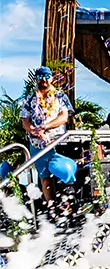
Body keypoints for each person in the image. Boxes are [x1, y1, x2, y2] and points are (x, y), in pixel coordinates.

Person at [18, 65, 73, 205]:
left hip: (58, 142)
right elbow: (25, 121)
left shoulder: (60, 96)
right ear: (36, 79)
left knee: (62, 171)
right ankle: (52, 207)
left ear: (52, 78)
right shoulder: (29, 98)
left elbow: (64, 117)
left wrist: (45, 127)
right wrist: (34, 131)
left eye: (46, 76)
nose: (43, 79)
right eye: (40, 76)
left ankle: (70, 204)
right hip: (37, 144)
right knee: (45, 177)